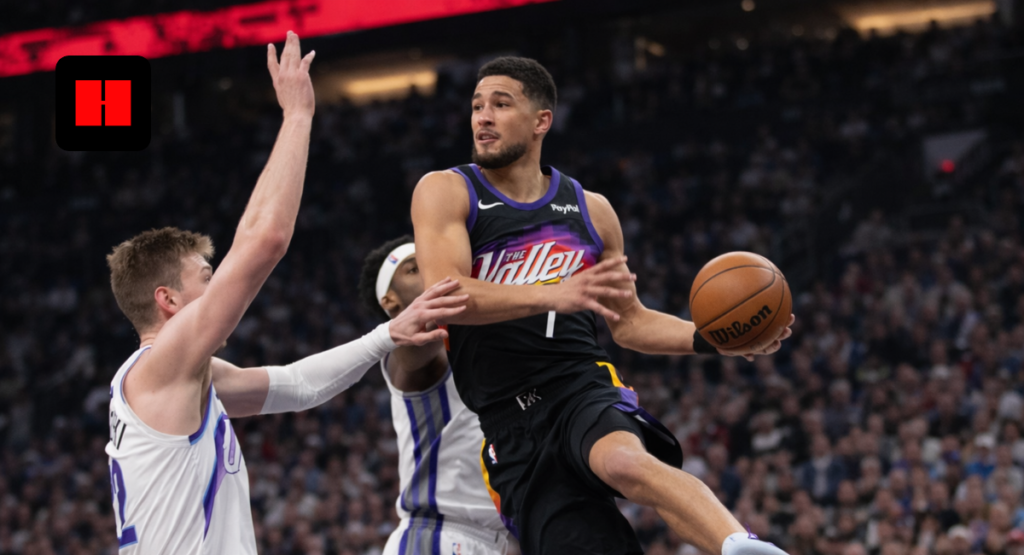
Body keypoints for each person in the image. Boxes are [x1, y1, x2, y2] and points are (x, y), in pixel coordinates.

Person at [410, 56, 796, 554]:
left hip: (578, 384)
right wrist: (554, 292)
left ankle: (740, 546)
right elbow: (447, 295)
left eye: (500, 105)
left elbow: (630, 323)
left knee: (625, 463)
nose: (482, 117)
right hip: (509, 425)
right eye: (477, 106)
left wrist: (711, 340)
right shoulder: (447, 189)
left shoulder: (590, 210)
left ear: (540, 121)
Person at [104, 33, 465, 553]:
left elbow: (300, 387)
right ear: (168, 301)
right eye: (206, 277)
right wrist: (297, 116)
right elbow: (264, 241)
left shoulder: (180, 379)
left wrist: (387, 334)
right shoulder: (161, 366)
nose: (217, 283)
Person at [357, 236, 510, 555]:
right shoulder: (413, 358)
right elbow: (420, 336)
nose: (431, 271)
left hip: (495, 542)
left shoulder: (485, 350)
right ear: (390, 302)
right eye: (416, 269)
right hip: (435, 536)